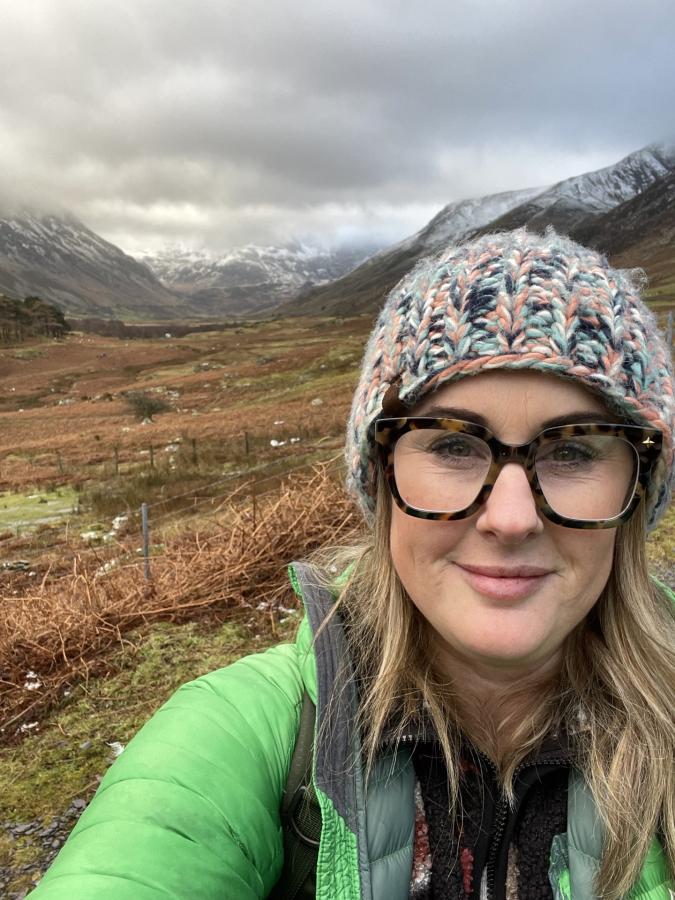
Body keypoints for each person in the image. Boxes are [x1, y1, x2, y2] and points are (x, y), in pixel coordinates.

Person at [29, 230, 674, 900]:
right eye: (452, 447)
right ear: (381, 478)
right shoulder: (245, 733)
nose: (510, 518)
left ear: (637, 489)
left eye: (572, 453)